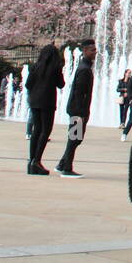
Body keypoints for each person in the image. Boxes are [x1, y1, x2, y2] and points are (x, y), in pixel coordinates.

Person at [56, 39, 95, 178]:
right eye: (92, 50)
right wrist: (81, 113)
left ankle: (62, 164)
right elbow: (79, 92)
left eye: (95, 50)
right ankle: (66, 168)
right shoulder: (84, 69)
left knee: (76, 138)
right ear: (84, 51)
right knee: (75, 138)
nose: (94, 52)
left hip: (78, 110)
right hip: (78, 110)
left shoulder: (84, 67)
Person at [24, 44, 64, 175]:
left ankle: (31, 161)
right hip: (47, 102)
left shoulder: (35, 67)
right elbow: (61, 84)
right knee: (45, 131)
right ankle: (37, 160)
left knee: (36, 130)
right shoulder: (55, 68)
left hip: (35, 101)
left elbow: (28, 84)